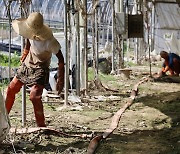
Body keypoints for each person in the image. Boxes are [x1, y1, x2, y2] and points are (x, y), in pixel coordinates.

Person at [5, 12, 64, 127]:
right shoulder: (30, 32)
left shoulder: (50, 42)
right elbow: (29, 40)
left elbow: (61, 60)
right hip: (28, 64)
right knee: (11, 89)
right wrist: (26, 52)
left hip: (41, 68)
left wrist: (60, 79)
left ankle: (41, 126)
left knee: (34, 96)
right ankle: (4, 119)